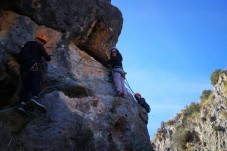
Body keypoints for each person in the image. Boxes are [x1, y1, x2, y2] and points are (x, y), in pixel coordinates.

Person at [17, 34, 51, 114]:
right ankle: (35, 97)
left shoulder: (27, 45)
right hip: (33, 65)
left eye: (43, 42)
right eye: (41, 41)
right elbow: (48, 58)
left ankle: (22, 105)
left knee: (26, 86)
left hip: (24, 68)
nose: (42, 42)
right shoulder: (38, 46)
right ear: (37, 40)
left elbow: (20, 56)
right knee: (36, 79)